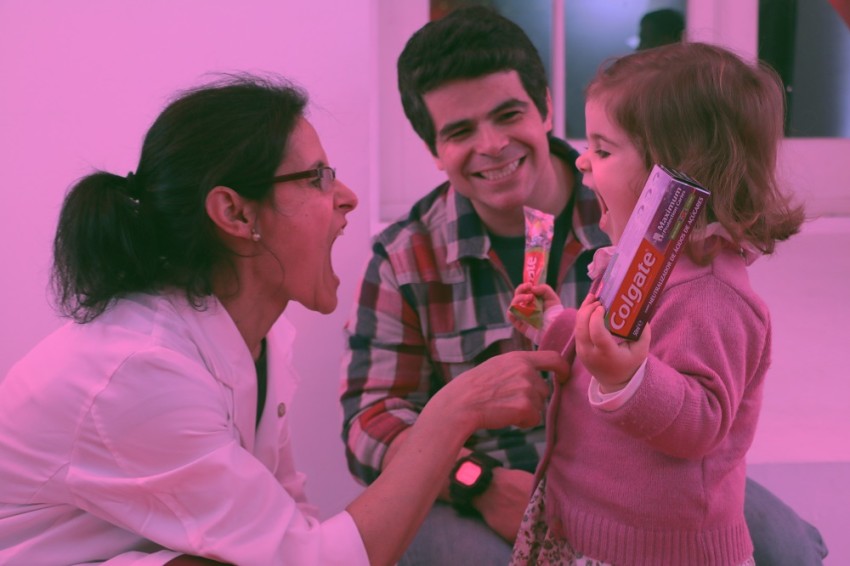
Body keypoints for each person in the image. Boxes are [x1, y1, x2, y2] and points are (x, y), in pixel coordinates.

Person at [0, 74, 566, 566]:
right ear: (235, 212)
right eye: (317, 177)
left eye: (508, 115)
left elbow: (290, 525)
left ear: (545, 108)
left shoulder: (256, 337)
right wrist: (455, 413)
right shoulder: (142, 371)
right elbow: (313, 557)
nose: (346, 197)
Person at [340, 6, 828, 565]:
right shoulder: (405, 257)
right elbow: (370, 423)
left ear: (546, 106)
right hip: (489, 478)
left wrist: (629, 376)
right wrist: (479, 482)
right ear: (433, 151)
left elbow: (695, 400)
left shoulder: (639, 222)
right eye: (460, 131)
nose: (492, 144)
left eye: (508, 114)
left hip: (637, 472)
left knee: (790, 548)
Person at [508, 40, 806, 565]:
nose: (581, 160)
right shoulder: (642, 259)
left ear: (675, 176)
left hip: (653, 551)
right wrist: (555, 322)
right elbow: (616, 340)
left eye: (603, 150)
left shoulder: (714, 296)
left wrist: (627, 377)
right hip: (582, 524)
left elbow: (702, 419)